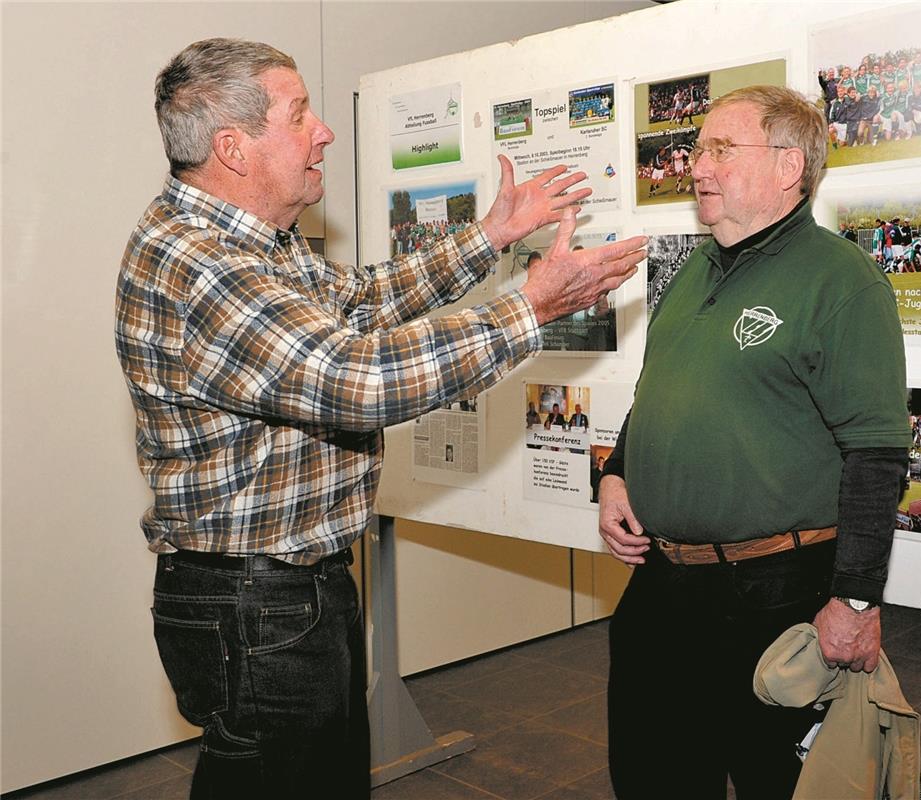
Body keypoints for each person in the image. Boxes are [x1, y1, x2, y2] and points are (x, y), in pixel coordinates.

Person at [114, 38, 646, 799]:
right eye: (299, 114)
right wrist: (529, 305)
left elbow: (357, 308)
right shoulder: (198, 260)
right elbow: (354, 378)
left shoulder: (257, 245)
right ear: (233, 148)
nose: (323, 131)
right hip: (254, 602)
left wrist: (489, 237)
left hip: (282, 595)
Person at [597, 85, 908, 799]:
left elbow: (877, 452)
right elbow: (658, 395)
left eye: (719, 149)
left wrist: (856, 601)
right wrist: (615, 472)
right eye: (698, 148)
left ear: (788, 165)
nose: (695, 164)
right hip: (663, 591)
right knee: (653, 777)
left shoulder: (841, 280)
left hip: (774, 596)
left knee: (780, 785)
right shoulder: (690, 272)